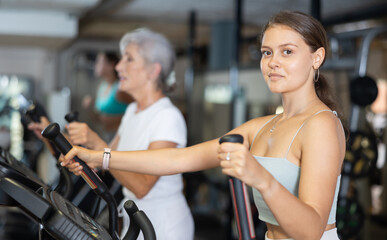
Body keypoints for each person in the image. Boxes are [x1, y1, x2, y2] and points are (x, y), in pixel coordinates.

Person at [61, 11, 346, 240]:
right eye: (266, 52)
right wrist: (100, 157)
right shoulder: (261, 126)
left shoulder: (320, 125)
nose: (272, 62)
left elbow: (311, 231)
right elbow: (178, 158)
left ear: (316, 57)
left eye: (287, 52)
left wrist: (260, 177)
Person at [31, 28, 194, 240]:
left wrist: (97, 143)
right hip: (135, 220)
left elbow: (142, 185)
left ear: (153, 71)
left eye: (129, 59)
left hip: (163, 225)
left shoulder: (167, 116)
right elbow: (103, 162)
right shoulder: (131, 112)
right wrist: (55, 139)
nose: (118, 66)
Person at [82, 51, 133, 141]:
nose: (96, 65)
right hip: (106, 134)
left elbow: (136, 111)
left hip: (121, 135)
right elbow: (98, 118)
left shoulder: (120, 89)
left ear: (111, 65)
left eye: (100, 62)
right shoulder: (102, 86)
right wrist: (89, 108)